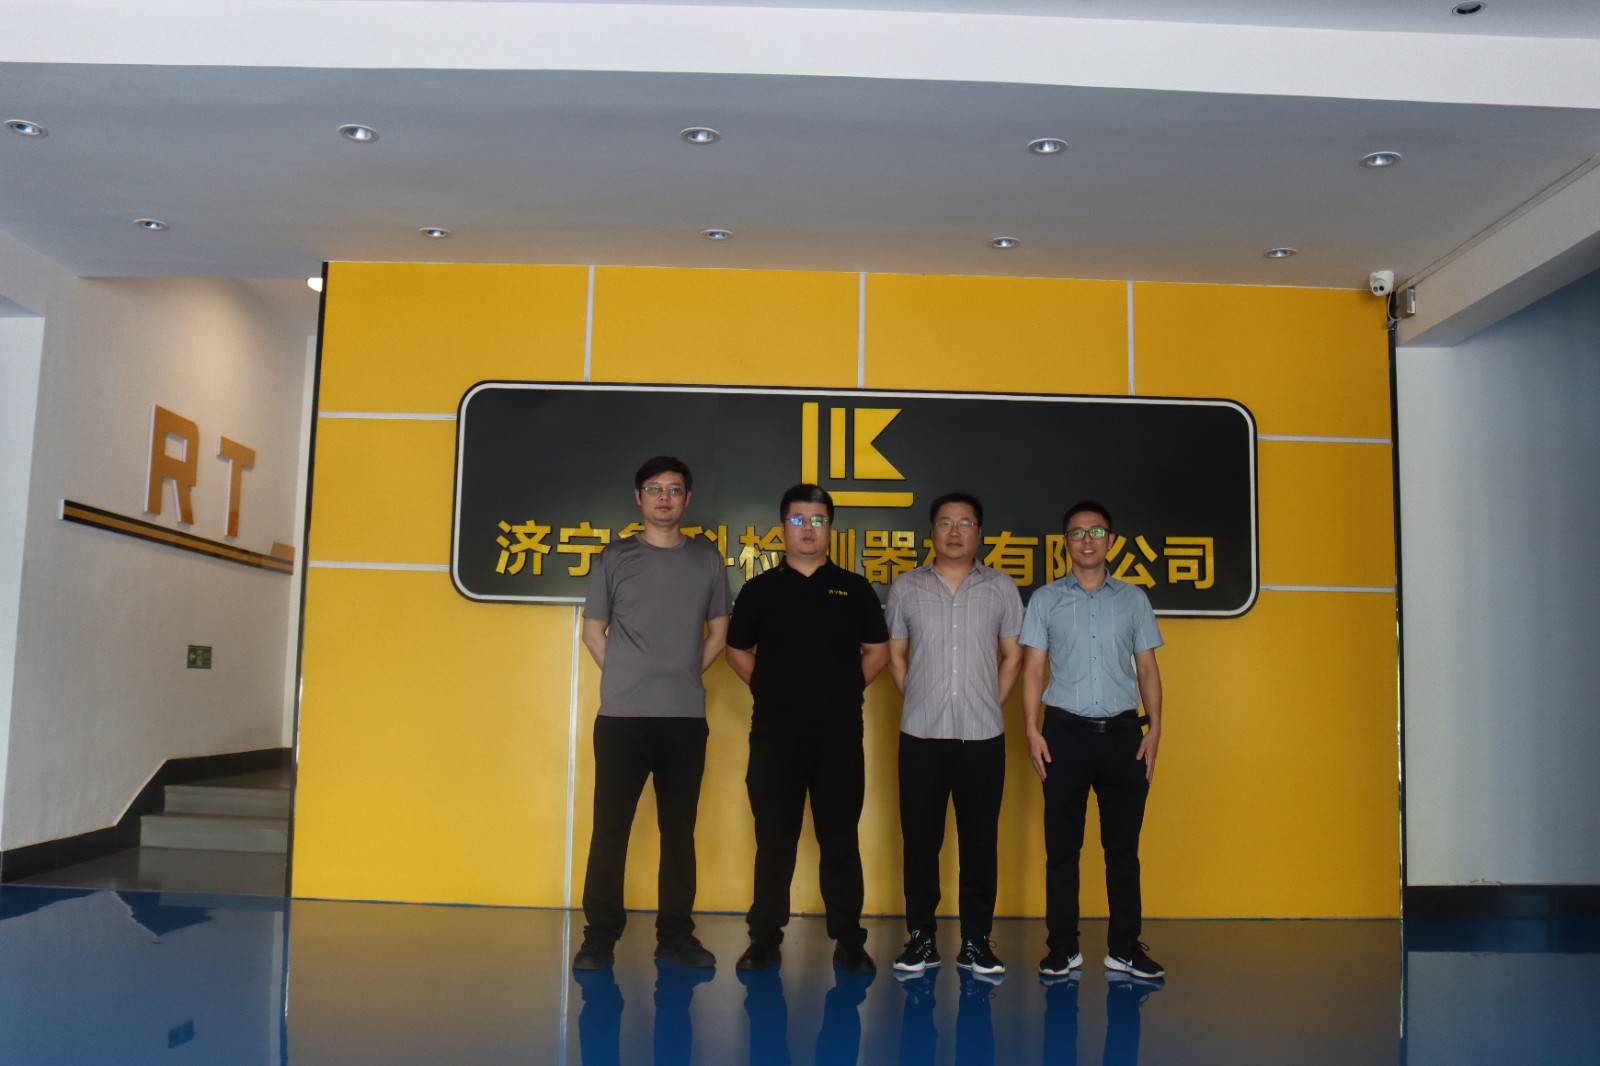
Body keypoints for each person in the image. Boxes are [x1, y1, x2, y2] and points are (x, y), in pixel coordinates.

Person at [571, 456, 731, 971]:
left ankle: (676, 934)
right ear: (638, 497)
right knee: (610, 828)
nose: (665, 497)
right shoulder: (613, 558)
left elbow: (720, 632)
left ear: (688, 499)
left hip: (684, 718)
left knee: (678, 831)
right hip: (622, 718)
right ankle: (599, 936)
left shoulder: (707, 559)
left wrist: (682, 672)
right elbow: (593, 631)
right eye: (655, 488)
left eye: (674, 489)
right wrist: (627, 672)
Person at [725, 484, 890, 973]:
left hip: (838, 737)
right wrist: (770, 689)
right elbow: (736, 650)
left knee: (840, 841)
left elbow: (878, 651)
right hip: (775, 736)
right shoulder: (760, 590)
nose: (808, 529)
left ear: (830, 528)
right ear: (783, 528)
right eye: (799, 520)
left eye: (818, 520)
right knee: (774, 841)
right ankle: (764, 937)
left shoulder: (854, 589)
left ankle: (849, 939)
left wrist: (844, 690)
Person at [1020, 500, 1166, 980]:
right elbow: (1033, 669)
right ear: (1065, 542)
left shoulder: (1133, 599)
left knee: (1123, 850)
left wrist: (1155, 728)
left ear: (1111, 540)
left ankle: (1125, 947)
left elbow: (1147, 668)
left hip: (1124, 736)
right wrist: (1032, 729)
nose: (1087, 540)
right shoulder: (1045, 600)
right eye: (1077, 533)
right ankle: (1062, 947)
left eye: (1096, 532)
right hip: (1063, 736)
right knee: (1062, 849)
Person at [885, 492, 1023, 978]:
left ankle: (976, 941)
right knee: (920, 841)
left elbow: (1013, 656)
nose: (955, 531)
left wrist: (988, 701)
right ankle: (921, 938)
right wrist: (921, 698)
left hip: (983, 738)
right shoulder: (906, 586)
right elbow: (895, 656)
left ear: (979, 533)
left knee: (979, 842)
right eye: (945, 522)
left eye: (965, 523)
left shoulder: (1001, 587)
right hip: (920, 736)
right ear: (932, 532)